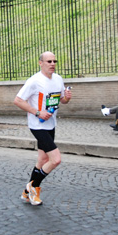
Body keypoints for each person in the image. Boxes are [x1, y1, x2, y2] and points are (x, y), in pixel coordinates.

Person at [14, 51, 72, 206]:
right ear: (40, 63)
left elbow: (62, 100)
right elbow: (18, 100)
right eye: (49, 61)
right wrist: (37, 112)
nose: (52, 64)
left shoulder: (58, 79)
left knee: (42, 159)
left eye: (54, 61)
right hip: (37, 125)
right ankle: (33, 187)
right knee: (56, 159)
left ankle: (27, 193)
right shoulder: (34, 81)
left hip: (51, 124)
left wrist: (66, 97)